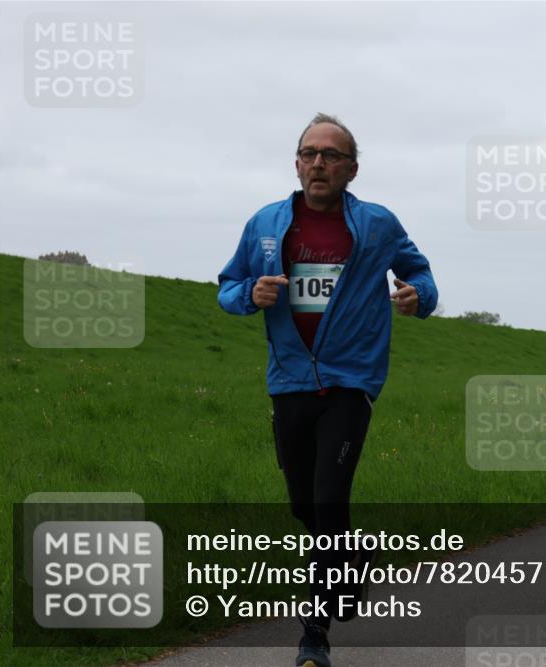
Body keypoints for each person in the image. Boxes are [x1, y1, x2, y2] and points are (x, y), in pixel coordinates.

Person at [217, 113, 438, 667]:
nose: (319, 162)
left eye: (332, 155)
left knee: (328, 498)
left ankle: (313, 635)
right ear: (296, 163)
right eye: (310, 153)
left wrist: (419, 296)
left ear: (351, 168)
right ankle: (353, 557)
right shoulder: (265, 223)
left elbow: (421, 272)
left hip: (352, 380)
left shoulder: (378, 224)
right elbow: (227, 287)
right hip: (289, 378)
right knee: (302, 505)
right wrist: (252, 293)